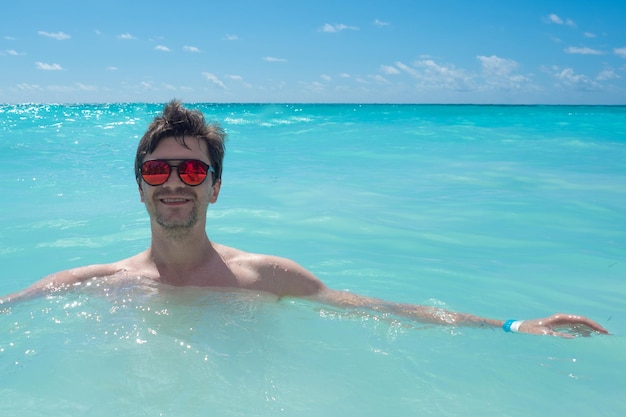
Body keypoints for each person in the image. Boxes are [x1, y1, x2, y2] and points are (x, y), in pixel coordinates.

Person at [0, 100, 609, 338]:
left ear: (215, 187)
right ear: (140, 190)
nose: (175, 184)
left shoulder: (265, 276)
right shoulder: (92, 283)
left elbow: (378, 308)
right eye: (158, 172)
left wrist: (511, 325)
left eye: (192, 172)